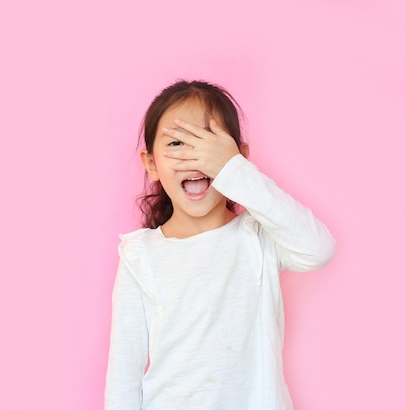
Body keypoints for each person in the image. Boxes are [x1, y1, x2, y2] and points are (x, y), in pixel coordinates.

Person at [105, 80, 336, 409]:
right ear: (152, 163)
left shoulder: (258, 236)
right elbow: (123, 378)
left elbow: (319, 249)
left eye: (210, 145)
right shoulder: (139, 254)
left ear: (238, 158)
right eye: (177, 143)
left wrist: (234, 172)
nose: (194, 158)